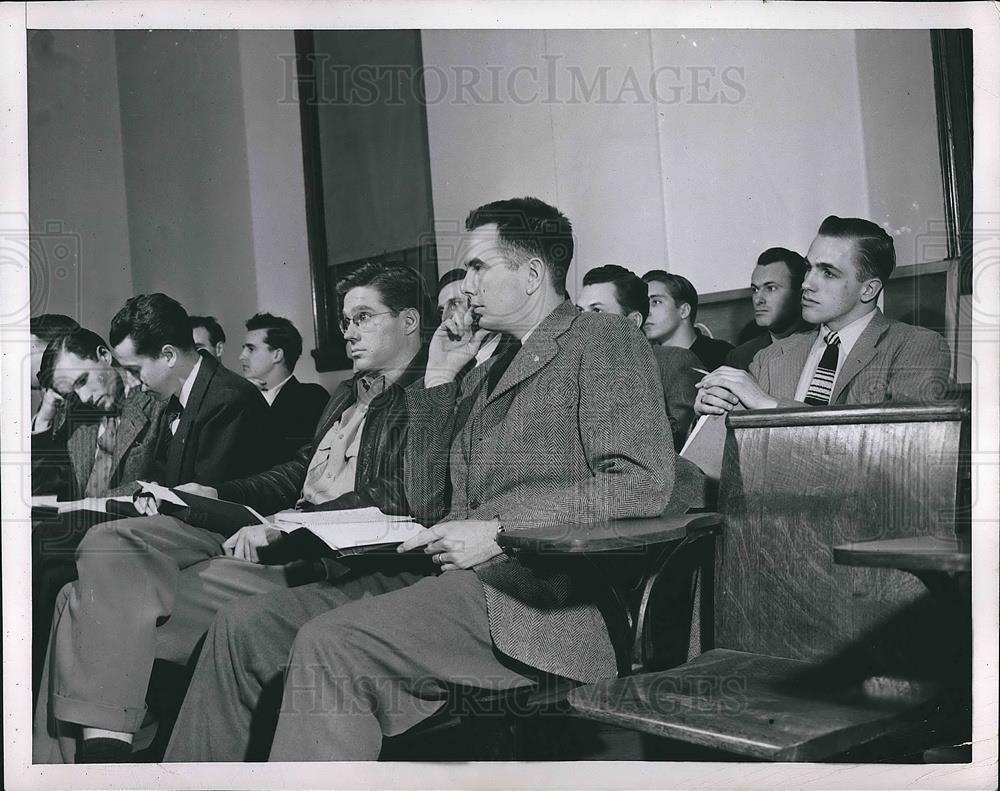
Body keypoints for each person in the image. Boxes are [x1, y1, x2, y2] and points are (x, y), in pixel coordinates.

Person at [164, 196, 672, 762]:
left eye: (479, 266)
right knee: (245, 627)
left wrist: (500, 530)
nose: (467, 284)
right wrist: (438, 378)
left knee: (332, 644)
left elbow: (642, 482)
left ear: (531, 275)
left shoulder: (601, 341)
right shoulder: (489, 364)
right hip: (446, 574)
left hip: (542, 599)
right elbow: (431, 501)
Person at [33, 264, 432, 763]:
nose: (347, 331)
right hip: (276, 533)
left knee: (86, 594)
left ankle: (105, 760)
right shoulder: (348, 394)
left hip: (324, 555)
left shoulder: (429, 398)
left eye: (362, 317)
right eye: (345, 319)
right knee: (81, 592)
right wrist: (216, 491)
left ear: (411, 321)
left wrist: (286, 527)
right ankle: (78, 767)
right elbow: (296, 474)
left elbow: (405, 492)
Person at [695, 216, 953, 416]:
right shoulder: (769, 358)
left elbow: (897, 446)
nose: (807, 283)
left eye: (828, 273)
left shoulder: (916, 347)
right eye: (809, 268)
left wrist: (769, 405)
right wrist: (711, 415)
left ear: (869, 289)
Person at [576, 264, 701, 449]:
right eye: (579, 311)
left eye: (597, 311)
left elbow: (681, 445)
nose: (582, 322)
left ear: (632, 321)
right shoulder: (576, 371)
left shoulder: (674, 361)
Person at [238, 312, 330, 461]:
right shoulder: (237, 398)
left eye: (251, 348)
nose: (242, 356)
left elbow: (281, 458)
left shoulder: (311, 398)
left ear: (277, 355)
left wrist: (252, 400)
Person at [725, 247, 811, 370]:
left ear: (800, 293)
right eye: (755, 290)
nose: (758, 300)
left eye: (771, 288)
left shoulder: (820, 347)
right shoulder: (740, 358)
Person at [642, 271, 733, 371]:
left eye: (656, 302)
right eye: (643, 304)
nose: (646, 312)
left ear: (684, 311)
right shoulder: (645, 362)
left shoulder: (723, 356)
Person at [437, 267, 503, 365]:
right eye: (441, 310)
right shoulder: (451, 363)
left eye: (454, 304)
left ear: (477, 303)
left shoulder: (511, 356)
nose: (445, 317)